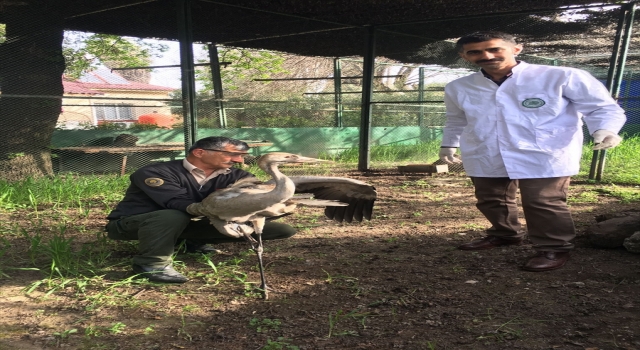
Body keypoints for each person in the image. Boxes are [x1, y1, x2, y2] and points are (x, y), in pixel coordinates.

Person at [439, 31, 626, 272]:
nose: (486, 55)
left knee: (543, 201)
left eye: (494, 49)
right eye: (475, 52)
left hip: (545, 152)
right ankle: (505, 234)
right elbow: (456, 120)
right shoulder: (458, 87)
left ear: (516, 49)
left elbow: (602, 108)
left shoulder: (560, 76)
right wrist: (448, 144)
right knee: (490, 199)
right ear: (464, 56)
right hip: (485, 149)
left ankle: (554, 247)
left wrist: (605, 130)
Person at [105, 136, 296, 283]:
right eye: (231, 154)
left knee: (280, 229)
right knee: (172, 215)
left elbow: (255, 196)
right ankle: (152, 264)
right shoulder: (155, 172)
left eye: (241, 156)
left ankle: (189, 242)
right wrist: (222, 206)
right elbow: (176, 202)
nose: (238, 160)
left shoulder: (238, 176)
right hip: (135, 224)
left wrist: (265, 204)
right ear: (199, 152)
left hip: (188, 224)